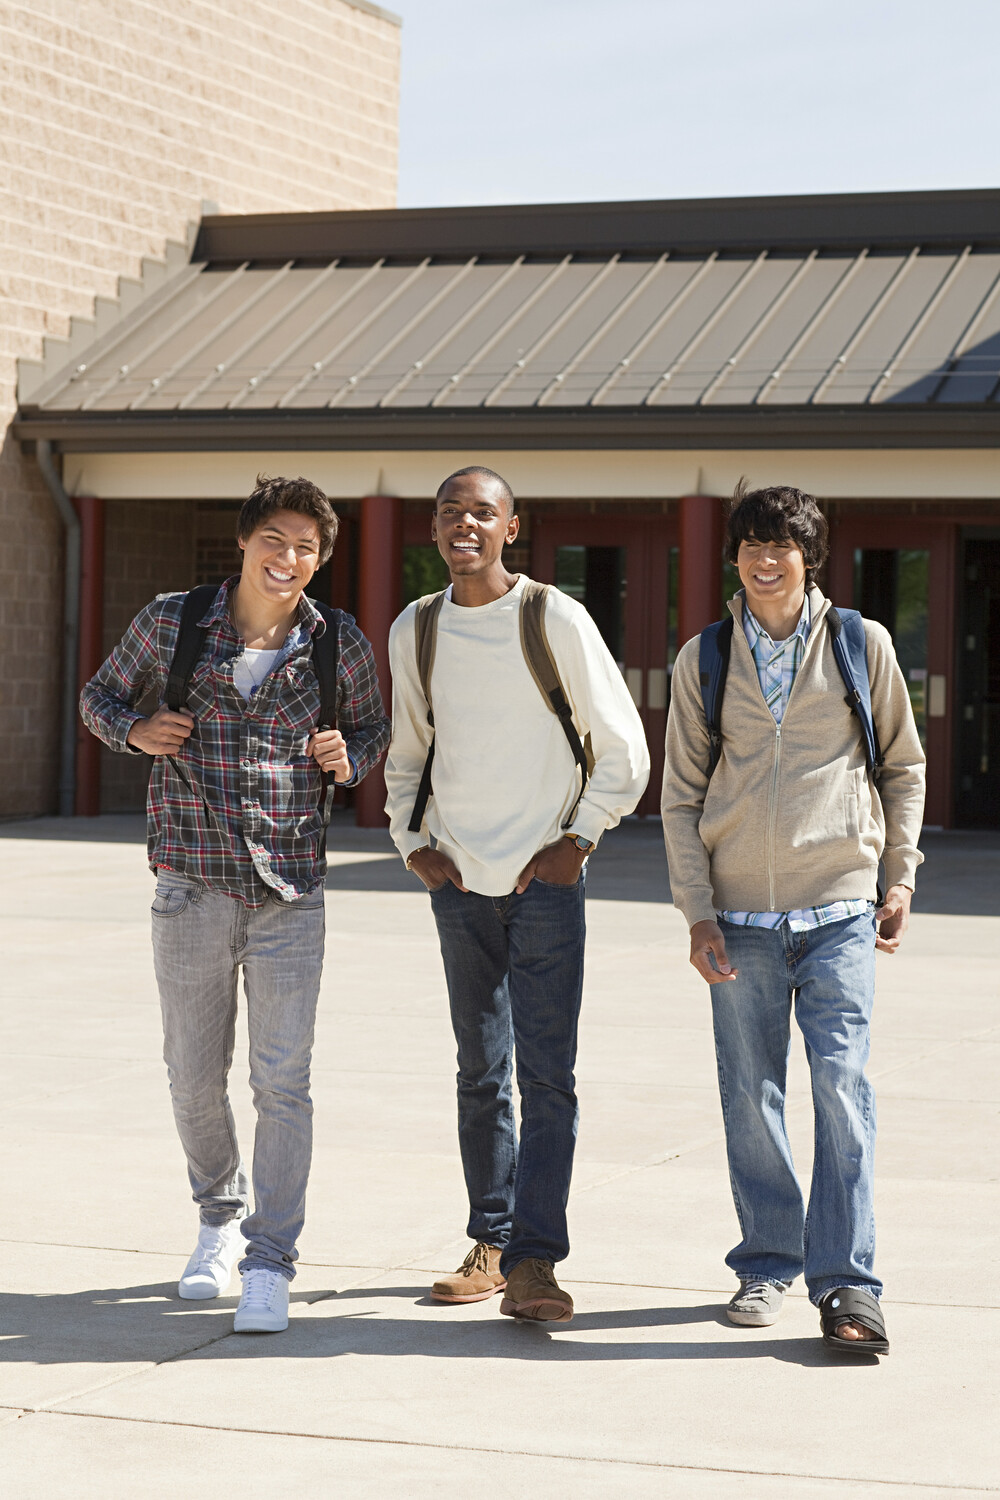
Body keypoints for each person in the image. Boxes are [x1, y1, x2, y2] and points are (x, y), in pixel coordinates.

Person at [80, 475, 389, 1333]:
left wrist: (347, 757)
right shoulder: (173, 622)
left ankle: (269, 1259)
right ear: (245, 542)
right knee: (191, 1076)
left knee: (283, 1082)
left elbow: (371, 732)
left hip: (293, 893)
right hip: (191, 885)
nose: (290, 560)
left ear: (321, 559)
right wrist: (133, 731)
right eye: (276, 540)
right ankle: (218, 1216)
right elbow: (98, 698)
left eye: (308, 548)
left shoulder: (339, 644)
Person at [662, 480, 925, 1355]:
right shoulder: (704, 657)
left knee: (843, 1094)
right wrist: (697, 912)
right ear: (734, 556)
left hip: (840, 907)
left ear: (810, 556)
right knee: (750, 1096)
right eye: (752, 545)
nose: (767, 560)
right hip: (738, 917)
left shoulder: (860, 643)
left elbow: (903, 767)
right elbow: (680, 798)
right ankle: (769, 1260)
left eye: (784, 545)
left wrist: (899, 874)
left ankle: (848, 1283)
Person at [384, 466, 649, 1323]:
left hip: (543, 884)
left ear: (511, 528)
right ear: (434, 528)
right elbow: (408, 753)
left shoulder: (552, 617)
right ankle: (490, 1243)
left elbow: (624, 747)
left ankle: (536, 1260)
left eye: (483, 513)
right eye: (451, 512)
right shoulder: (416, 627)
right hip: (458, 883)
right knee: (478, 1075)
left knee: (547, 1076)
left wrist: (579, 840)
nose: (466, 524)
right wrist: (413, 845)